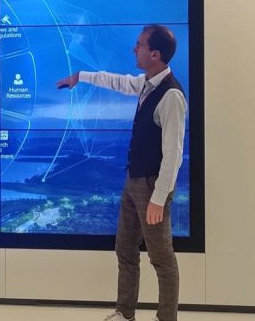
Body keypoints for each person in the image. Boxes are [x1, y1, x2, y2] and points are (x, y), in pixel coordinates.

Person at [56, 25, 186, 321]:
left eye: (139, 45)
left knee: (161, 257)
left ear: (155, 54)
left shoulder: (171, 96)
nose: (134, 49)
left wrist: (158, 198)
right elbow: (117, 81)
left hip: (152, 186)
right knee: (125, 248)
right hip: (134, 180)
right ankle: (125, 314)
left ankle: (166, 318)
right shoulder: (146, 84)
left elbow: (173, 155)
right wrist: (81, 76)